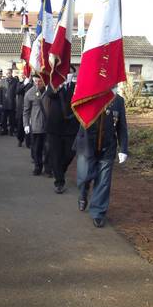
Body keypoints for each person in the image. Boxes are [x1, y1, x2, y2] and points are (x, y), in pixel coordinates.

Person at [75, 89, 128, 228]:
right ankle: (83, 192)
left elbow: (121, 126)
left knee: (104, 181)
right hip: (87, 145)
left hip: (108, 146)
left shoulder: (118, 100)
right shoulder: (88, 96)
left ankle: (98, 212)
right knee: (85, 176)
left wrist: (123, 149)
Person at [43, 73, 80, 193]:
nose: (66, 74)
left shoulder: (76, 86)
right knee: (55, 154)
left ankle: (59, 171)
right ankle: (59, 182)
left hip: (71, 127)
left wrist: (71, 84)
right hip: (55, 127)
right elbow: (50, 94)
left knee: (70, 154)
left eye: (69, 72)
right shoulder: (53, 84)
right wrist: (59, 85)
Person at [23, 74, 51, 176]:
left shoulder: (50, 91)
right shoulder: (29, 93)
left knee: (48, 149)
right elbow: (26, 111)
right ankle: (38, 167)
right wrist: (26, 124)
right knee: (37, 149)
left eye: (40, 81)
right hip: (36, 126)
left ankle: (48, 168)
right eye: (35, 81)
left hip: (48, 126)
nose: (38, 83)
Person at [0, 68, 18, 136]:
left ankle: (11, 131)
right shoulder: (2, 81)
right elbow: (0, 93)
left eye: (9, 73)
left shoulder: (15, 81)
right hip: (4, 103)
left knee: (12, 118)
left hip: (12, 103)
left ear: (11, 73)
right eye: (6, 73)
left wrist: (16, 102)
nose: (7, 74)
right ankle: (4, 130)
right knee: (3, 118)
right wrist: (0, 102)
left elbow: (16, 93)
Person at [15, 73, 33, 147]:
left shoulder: (32, 84)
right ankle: (20, 140)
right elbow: (17, 91)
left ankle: (28, 142)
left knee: (29, 125)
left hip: (30, 107)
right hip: (21, 107)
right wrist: (24, 84)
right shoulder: (20, 83)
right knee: (20, 125)